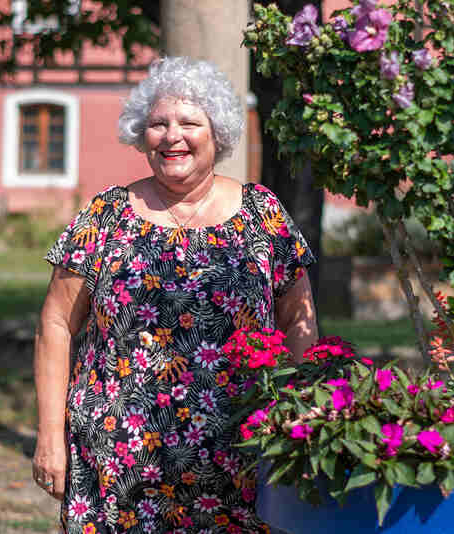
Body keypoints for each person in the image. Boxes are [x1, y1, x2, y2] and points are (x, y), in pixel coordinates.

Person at [33, 56, 318, 534]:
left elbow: (300, 324)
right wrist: (49, 436)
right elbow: (56, 323)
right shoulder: (106, 216)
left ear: (217, 133)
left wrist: (300, 420)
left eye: (190, 123)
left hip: (241, 455)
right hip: (117, 459)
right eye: (158, 124)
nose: (172, 136)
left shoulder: (262, 214)